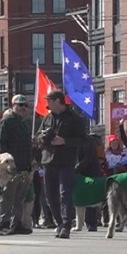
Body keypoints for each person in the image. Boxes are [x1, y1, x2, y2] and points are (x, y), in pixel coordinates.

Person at [37, 89, 88, 239]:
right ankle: (59, 223)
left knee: (65, 194)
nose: (47, 105)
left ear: (58, 101)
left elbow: (83, 140)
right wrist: (44, 138)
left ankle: (66, 225)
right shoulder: (47, 118)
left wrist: (65, 141)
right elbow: (37, 137)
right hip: (48, 160)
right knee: (50, 195)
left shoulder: (74, 118)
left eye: (49, 102)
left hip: (66, 161)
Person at [0, 95, 35, 234]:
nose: (23, 108)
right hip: (11, 168)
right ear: (13, 105)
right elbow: (1, 143)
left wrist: (31, 160)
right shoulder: (8, 121)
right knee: (8, 196)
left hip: (24, 166)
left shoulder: (25, 122)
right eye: (20, 104)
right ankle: (3, 222)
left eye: (25, 105)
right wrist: (5, 165)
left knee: (19, 197)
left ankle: (16, 223)